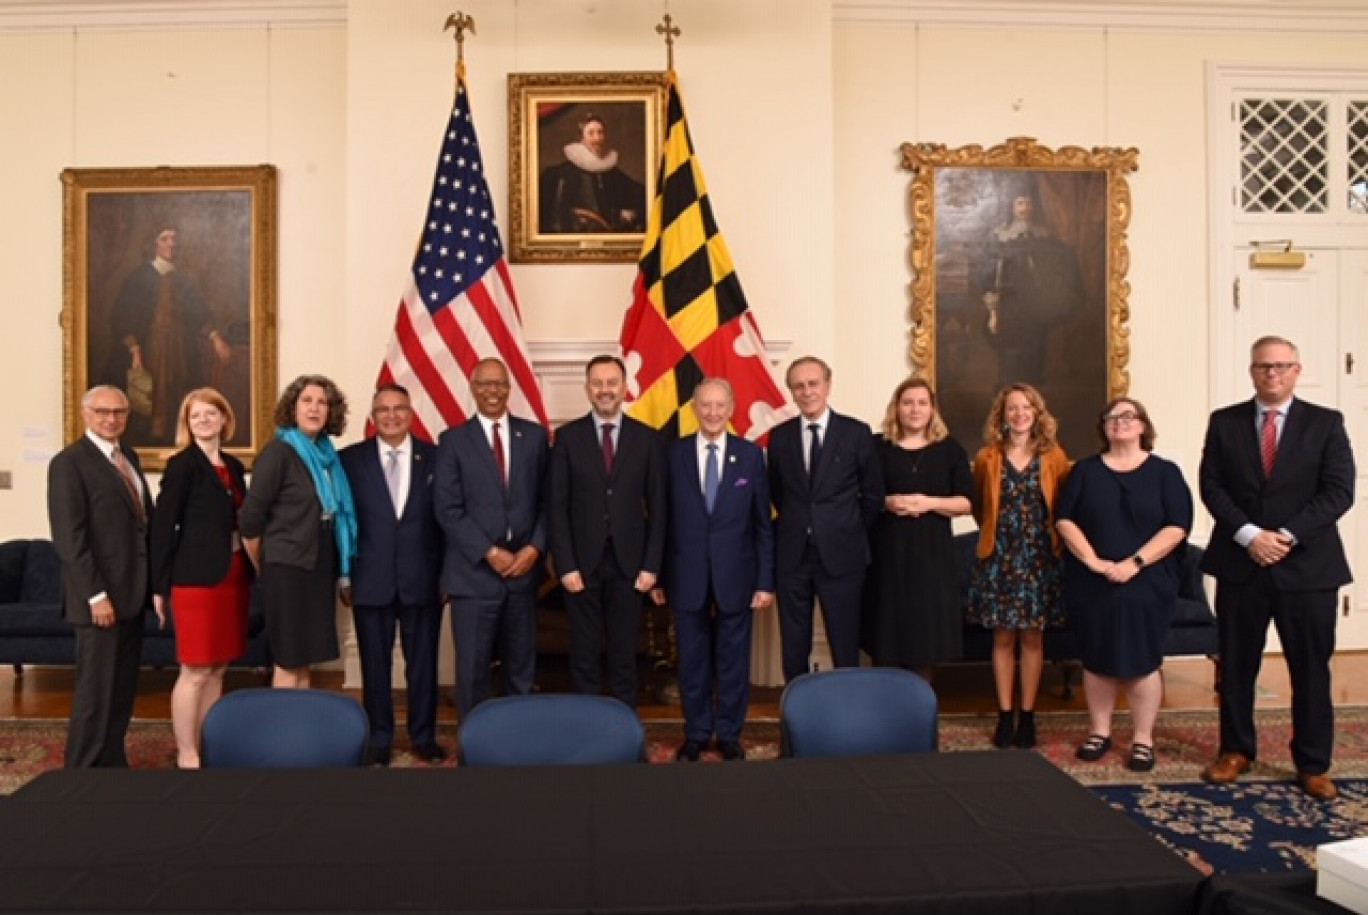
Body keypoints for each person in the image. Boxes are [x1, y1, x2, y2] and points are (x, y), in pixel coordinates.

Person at [1198, 336, 1354, 800]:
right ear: (1252, 371)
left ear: (1297, 370)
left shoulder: (1326, 424)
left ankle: (1312, 764)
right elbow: (1211, 486)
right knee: (1237, 666)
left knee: (1310, 669)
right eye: (1264, 366)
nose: (1272, 374)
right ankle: (1235, 750)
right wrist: (1249, 534)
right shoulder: (1224, 423)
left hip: (1307, 568)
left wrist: (1284, 536)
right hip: (1241, 562)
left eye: (1281, 366)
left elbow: (1339, 491)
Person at [1055, 398, 1193, 773]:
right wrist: (1094, 562)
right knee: (1097, 657)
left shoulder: (1166, 473)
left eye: (1129, 416)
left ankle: (1142, 738)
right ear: (1104, 427)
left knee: (1141, 661)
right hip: (1092, 579)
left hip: (1147, 580)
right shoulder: (1084, 471)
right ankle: (1099, 732)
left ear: (1143, 425)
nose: (1121, 423)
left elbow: (1177, 527)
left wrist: (1134, 563)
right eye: (1113, 418)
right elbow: (1065, 520)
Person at [652, 379, 774, 761]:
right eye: (705, 405)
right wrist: (655, 573)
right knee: (692, 661)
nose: (712, 412)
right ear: (694, 407)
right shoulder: (672, 455)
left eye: (720, 405)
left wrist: (765, 581)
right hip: (684, 576)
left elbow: (761, 526)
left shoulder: (751, 456)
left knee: (733, 662)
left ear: (732, 407)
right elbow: (660, 520)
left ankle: (730, 734)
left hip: (737, 577)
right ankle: (697, 732)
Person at [548, 355, 666, 707]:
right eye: (597, 383)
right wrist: (565, 565)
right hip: (581, 566)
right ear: (587, 389)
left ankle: (624, 730)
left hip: (631, 566)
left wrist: (651, 566)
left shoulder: (647, 439)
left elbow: (660, 509)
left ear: (624, 387)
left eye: (611, 382)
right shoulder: (567, 438)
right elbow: (557, 507)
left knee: (624, 654)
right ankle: (588, 728)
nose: (605, 390)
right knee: (583, 654)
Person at [434, 359, 549, 720]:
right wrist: (488, 551)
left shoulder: (533, 437)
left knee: (521, 671)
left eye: (499, 384)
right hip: (474, 575)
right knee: (473, 672)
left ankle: (519, 743)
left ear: (509, 388)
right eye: (485, 384)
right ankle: (475, 747)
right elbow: (447, 508)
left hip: (523, 573)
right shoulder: (452, 441)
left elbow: (549, 500)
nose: (493, 391)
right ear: (472, 387)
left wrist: (535, 547)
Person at [47, 385, 154, 767]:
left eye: (119, 412)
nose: (112, 419)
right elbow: (69, 537)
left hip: (131, 595)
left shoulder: (129, 458)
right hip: (99, 600)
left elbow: (142, 524)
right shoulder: (69, 463)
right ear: (85, 414)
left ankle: (111, 766)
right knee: (95, 694)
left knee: (122, 690)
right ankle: (80, 776)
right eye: (103, 412)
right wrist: (95, 595)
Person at [339, 385, 446, 765]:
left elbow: (447, 522)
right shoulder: (349, 460)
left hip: (424, 578)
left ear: (411, 413)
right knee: (375, 666)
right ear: (372, 416)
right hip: (370, 580)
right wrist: (344, 576)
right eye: (383, 409)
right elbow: (341, 524)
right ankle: (379, 738)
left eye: (399, 408)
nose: (391, 416)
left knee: (423, 665)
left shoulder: (437, 458)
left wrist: (446, 577)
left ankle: (424, 736)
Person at [148, 388, 251, 769]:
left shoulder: (235, 467)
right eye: (196, 416)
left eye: (211, 413)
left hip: (233, 576)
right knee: (194, 669)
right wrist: (159, 587)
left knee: (219, 666)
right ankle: (187, 753)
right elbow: (162, 528)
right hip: (195, 581)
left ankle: (208, 746)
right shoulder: (182, 465)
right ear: (187, 425)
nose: (204, 421)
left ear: (225, 419)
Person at [966, 382, 1069, 749]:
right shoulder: (987, 457)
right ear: (1002, 415)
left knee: (1032, 637)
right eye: (1012, 408)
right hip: (999, 558)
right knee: (1003, 637)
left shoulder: (1054, 456)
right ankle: (1004, 714)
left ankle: (1028, 715)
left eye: (1026, 408)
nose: (1019, 414)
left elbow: (1062, 506)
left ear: (1037, 413)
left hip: (1040, 559)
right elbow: (980, 507)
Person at [767, 356, 883, 682]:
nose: (807, 392)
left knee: (845, 646)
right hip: (792, 557)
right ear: (791, 392)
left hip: (843, 554)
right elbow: (778, 494)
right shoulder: (779, 438)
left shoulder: (856, 433)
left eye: (813, 384)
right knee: (793, 648)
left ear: (828, 386)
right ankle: (797, 720)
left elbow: (873, 495)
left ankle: (846, 722)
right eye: (799, 386)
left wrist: (846, 528)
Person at [239, 375, 357, 689]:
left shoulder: (328, 457)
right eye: (307, 401)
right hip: (287, 568)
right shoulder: (278, 452)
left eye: (322, 402)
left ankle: (300, 733)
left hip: (318, 566)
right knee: (288, 659)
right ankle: (282, 734)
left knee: (305, 658)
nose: (315, 408)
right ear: (292, 409)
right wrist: (265, 563)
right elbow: (250, 519)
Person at [861, 377, 974, 681]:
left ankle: (918, 715)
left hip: (932, 559)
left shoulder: (950, 449)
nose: (914, 409)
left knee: (925, 641)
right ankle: (885, 718)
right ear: (896, 408)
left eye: (922, 403)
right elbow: (861, 495)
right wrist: (888, 502)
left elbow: (966, 503)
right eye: (907, 402)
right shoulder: (876, 446)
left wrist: (928, 503)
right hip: (887, 556)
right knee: (885, 636)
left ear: (932, 409)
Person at [102, 227, 233, 446]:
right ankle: (151, 441)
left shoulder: (181, 279)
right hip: (149, 346)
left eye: (174, 239)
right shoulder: (139, 277)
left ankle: (174, 439)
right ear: (153, 244)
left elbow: (197, 312)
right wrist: (134, 349)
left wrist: (216, 337)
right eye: (165, 239)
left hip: (178, 347)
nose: (171, 244)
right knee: (149, 395)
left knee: (178, 389)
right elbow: (122, 317)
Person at [976, 187, 1084, 388]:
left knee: (1035, 358)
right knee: (1009, 361)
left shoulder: (1044, 237)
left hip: (1035, 310)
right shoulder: (999, 237)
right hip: (1008, 308)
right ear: (1011, 207)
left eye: (1028, 203)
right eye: (1020, 203)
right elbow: (984, 271)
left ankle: (1033, 406)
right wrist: (989, 298)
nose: (1024, 208)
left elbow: (1060, 263)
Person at [538, 112, 646, 234]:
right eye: (591, 133)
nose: (597, 138)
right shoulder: (560, 174)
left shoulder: (611, 171)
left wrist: (630, 213)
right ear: (581, 138)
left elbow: (639, 196)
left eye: (600, 132)